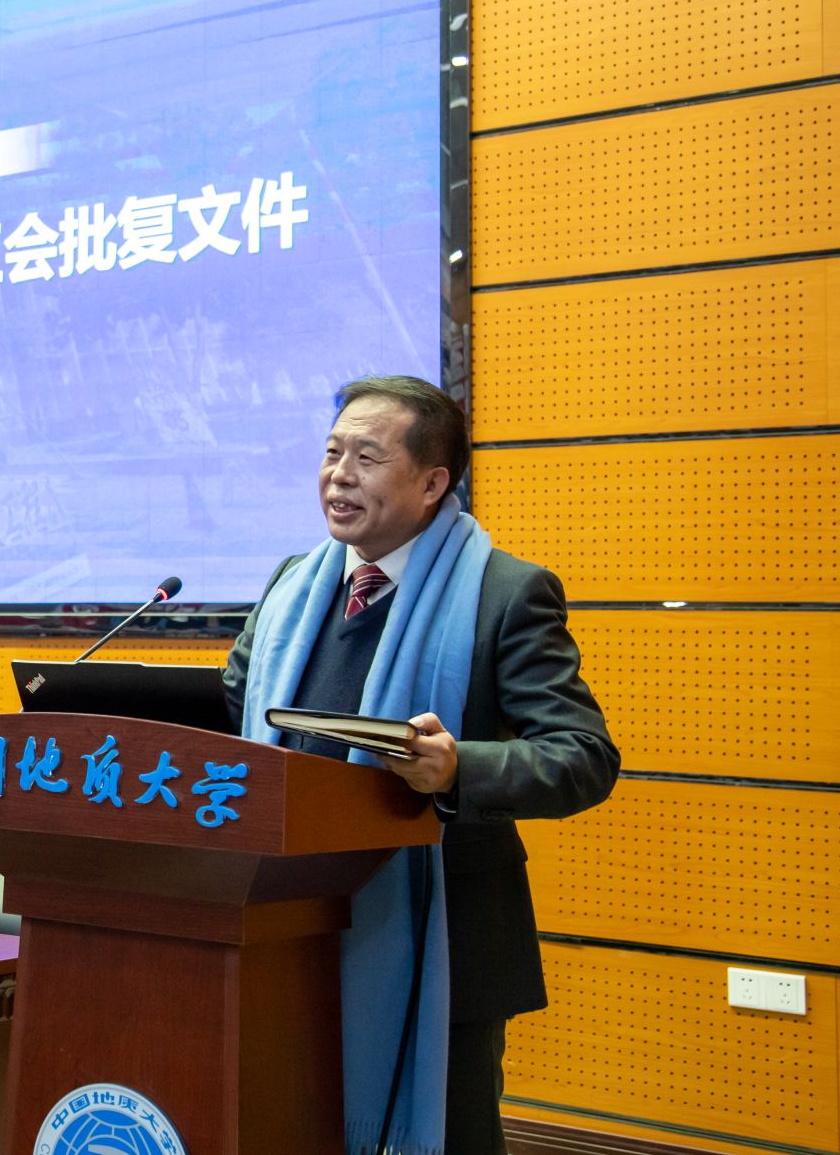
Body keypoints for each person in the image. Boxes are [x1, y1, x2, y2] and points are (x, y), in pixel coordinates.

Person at [223, 375, 618, 1155]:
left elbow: (583, 756)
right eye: (331, 453)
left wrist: (456, 767)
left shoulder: (507, 593)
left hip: (443, 938)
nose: (338, 476)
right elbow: (233, 711)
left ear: (433, 482)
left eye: (366, 458)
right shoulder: (292, 585)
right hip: (286, 926)